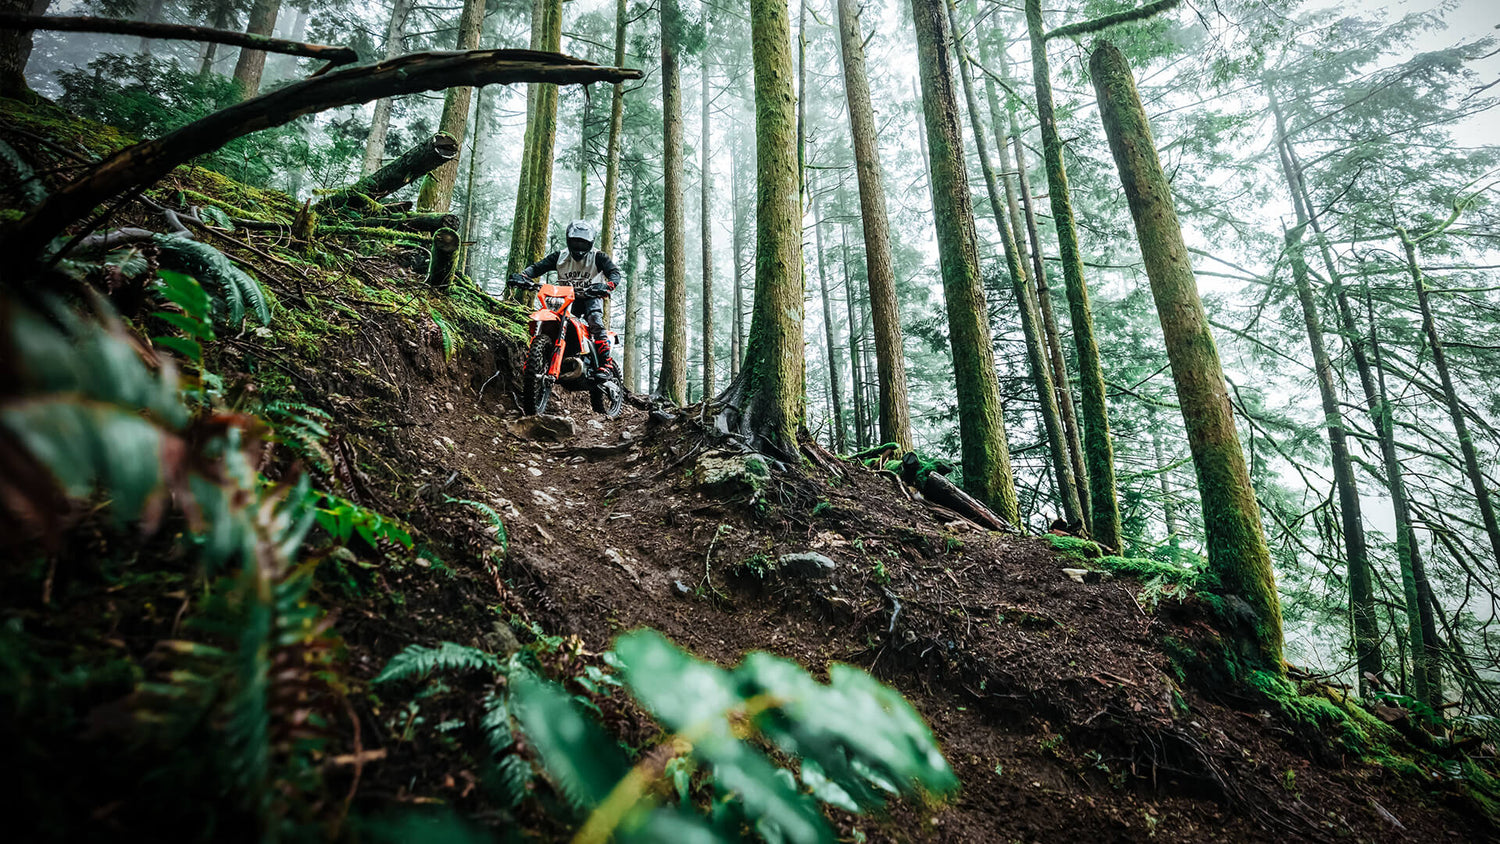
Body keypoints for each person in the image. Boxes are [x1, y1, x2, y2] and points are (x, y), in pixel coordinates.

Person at [510, 220, 622, 380]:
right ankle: (556, 357)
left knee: (595, 321)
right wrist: (523, 276)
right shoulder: (560, 256)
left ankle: (605, 364)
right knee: (555, 322)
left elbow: (614, 273)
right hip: (567, 299)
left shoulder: (598, 257)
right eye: (575, 242)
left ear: (590, 243)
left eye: (583, 243)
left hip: (591, 297)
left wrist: (608, 286)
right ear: (569, 240)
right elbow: (537, 268)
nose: (578, 247)